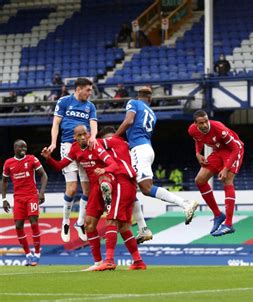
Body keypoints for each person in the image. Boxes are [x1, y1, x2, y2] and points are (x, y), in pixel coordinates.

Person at [42, 125, 142, 271]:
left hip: (108, 179)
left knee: (112, 217)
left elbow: (113, 165)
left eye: (85, 134)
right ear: (74, 138)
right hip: (94, 188)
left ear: (88, 134)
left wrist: (104, 170)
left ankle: (110, 260)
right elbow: (60, 166)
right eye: (79, 135)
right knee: (89, 224)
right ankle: (98, 262)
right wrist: (49, 158)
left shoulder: (95, 145)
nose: (83, 137)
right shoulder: (75, 149)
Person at [115, 87, 198, 242]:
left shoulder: (133, 102)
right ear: (150, 99)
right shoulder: (152, 114)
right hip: (145, 148)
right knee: (130, 188)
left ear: (138, 96)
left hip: (139, 150)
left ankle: (185, 203)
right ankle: (143, 229)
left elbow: (129, 121)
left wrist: (114, 137)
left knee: (146, 188)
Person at [47, 77, 97, 243]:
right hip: (68, 146)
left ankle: (80, 223)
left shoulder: (90, 106)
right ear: (79, 89)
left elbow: (93, 124)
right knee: (72, 188)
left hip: (85, 148)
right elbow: (55, 124)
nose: (90, 93)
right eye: (88, 90)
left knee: (87, 190)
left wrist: (94, 138)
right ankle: (66, 222)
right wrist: (54, 143)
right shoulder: (64, 101)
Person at [96, 126, 147, 270]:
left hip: (121, 182)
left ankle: (110, 260)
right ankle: (138, 261)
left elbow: (93, 143)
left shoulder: (113, 141)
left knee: (111, 219)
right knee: (123, 226)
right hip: (129, 184)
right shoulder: (124, 145)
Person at [188, 110, 244, 236]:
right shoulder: (192, 130)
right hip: (218, 150)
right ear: (196, 124)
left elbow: (235, 148)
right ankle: (218, 215)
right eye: (201, 123)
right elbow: (198, 140)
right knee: (199, 180)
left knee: (227, 180)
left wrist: (225, 168)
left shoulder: (218, 128)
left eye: (206, 121)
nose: (205, 125)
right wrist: (198, 153)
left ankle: (229, 224)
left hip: (233, 150)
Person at [2, 140, 48, 266]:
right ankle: (28, 254)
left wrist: (42, 192)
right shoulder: (8, 163)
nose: (24, 148)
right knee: (18, 225)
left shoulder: (32, 159)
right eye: (21, 146)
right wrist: (4, 199)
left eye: (25, 147)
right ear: (15, 147)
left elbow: (44, 175)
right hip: (18, 198)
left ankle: (37, 253)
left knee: (34, 222)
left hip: (32, 196)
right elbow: (4, 181)